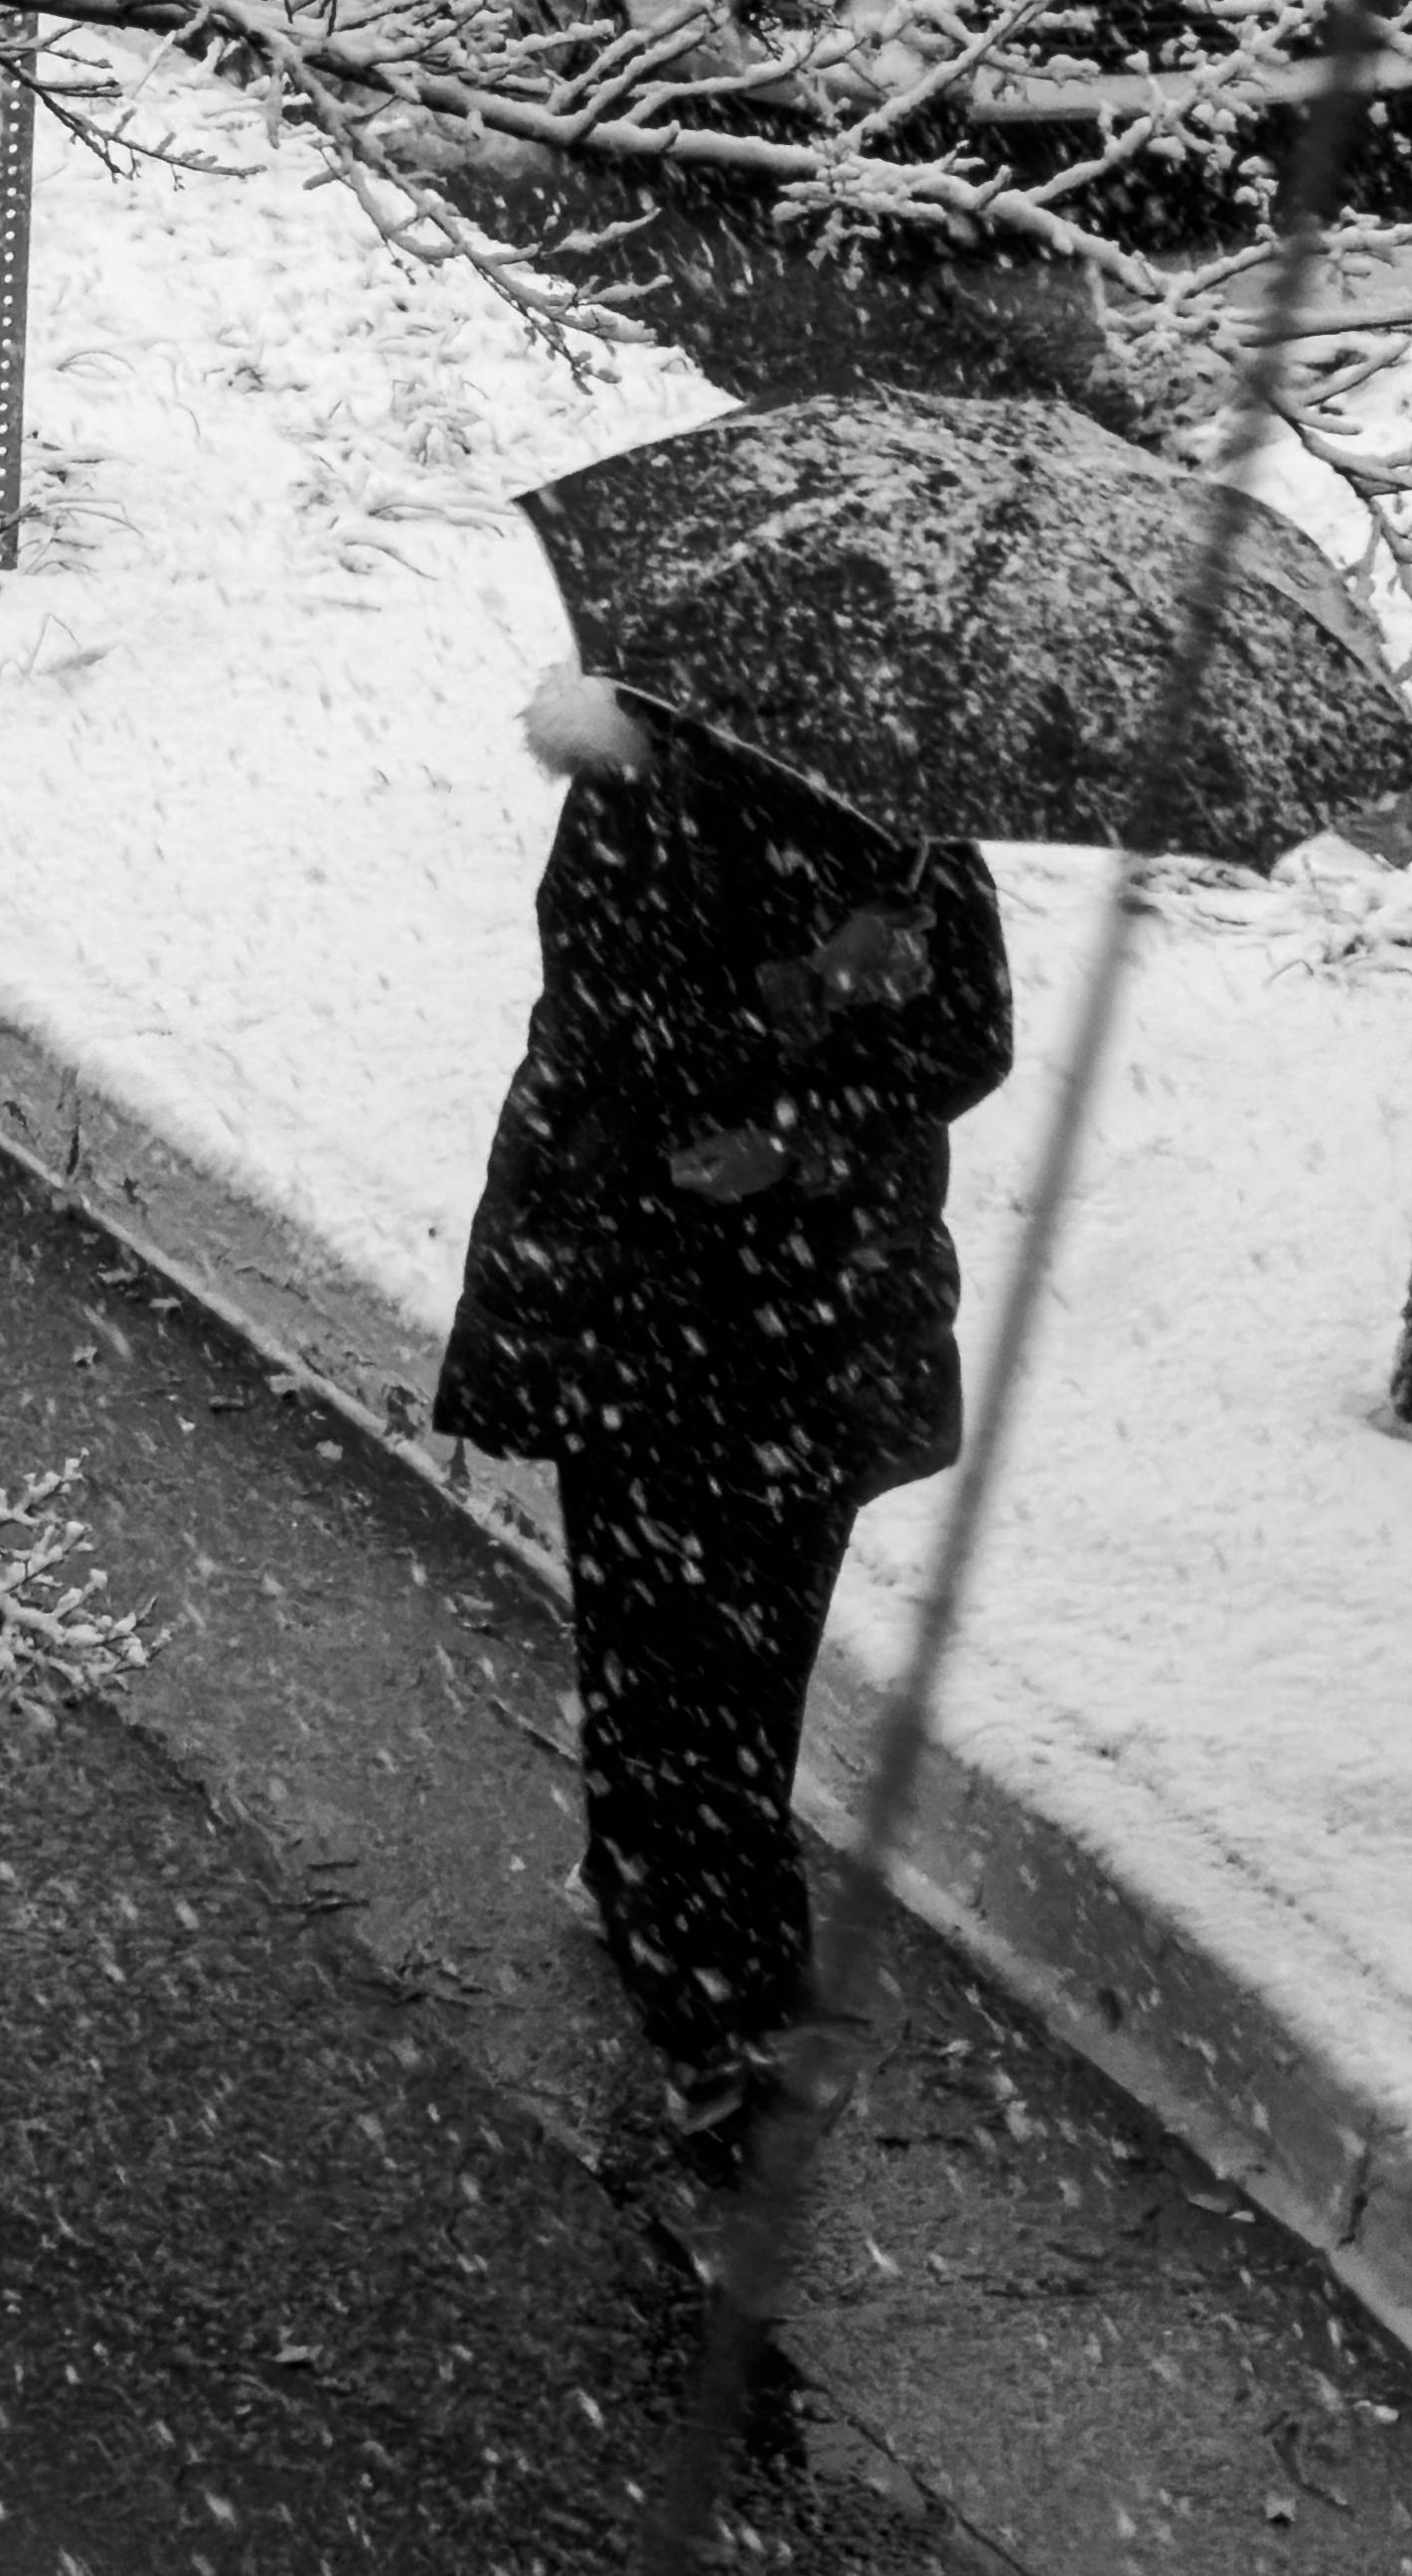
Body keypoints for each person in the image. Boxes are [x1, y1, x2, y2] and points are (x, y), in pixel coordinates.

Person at [430, 658, 1015, 2222]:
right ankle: (724, 2013)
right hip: (649, 1305)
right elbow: (627, 1031)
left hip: (819, 1325)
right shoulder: (634, 797)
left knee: (749, 1663)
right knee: (661, 1657)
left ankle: (689, 1934)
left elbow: (970, 1041)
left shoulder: (909, 826)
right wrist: (815, 992)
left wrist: (824, 1105)